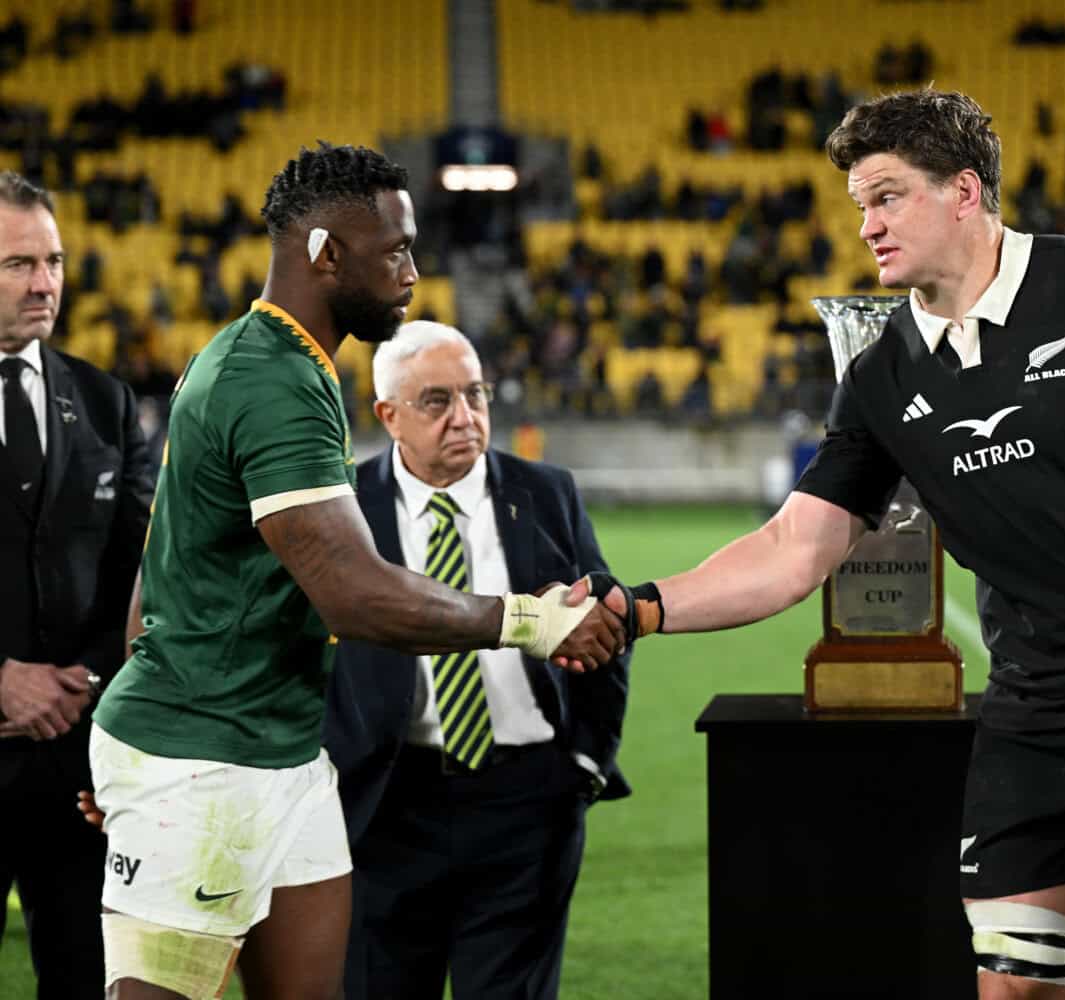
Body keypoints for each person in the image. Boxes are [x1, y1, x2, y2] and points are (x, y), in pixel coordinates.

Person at [580, 90, 1065, 999]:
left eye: (887, 197)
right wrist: (639, 609)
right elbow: (794, 547)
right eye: (859, 205)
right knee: (1015, 988)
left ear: (964, 191)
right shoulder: (880, 375)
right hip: (1036, 718)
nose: (866, 226)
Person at [83, 143, 625, 1000]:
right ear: (326, 254)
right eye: (396, 251)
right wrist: (534, 620)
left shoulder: (269, 361)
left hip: (283, 751)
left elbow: (157, 580)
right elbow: (355, 595)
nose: (412, 272)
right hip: (203, 762)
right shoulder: (271, 378)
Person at [325, 321, 631, 1000]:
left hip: (526, 804)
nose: (464, 417)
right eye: (437, 401)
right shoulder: (343, 508)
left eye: (475, 394)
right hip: (384, 805)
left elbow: (607, 626)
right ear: (388, 415)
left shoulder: (547, 492)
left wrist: (586, 761)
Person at [0, 171, 151, 997]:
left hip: (78, 764)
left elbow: (139, 574)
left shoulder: (104, 402)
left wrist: (88, 677)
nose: (44, 283)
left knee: (87, 979)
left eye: (53, 262)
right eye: (19, 264)